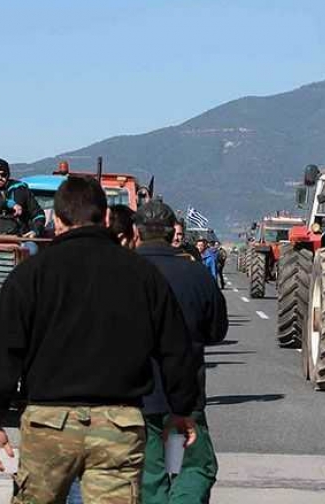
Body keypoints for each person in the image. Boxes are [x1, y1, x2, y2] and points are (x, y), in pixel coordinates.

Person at [0, 176, 199, 502]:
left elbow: (2, 349)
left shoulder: (31, 274)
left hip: (48, 422)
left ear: (57, 220)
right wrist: (182, 408)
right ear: (106, 217)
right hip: (118, 424)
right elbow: (175, 347)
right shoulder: (143, 275)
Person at [134, 200, 229, 504]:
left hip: (136, 396)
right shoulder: (196, 274)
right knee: (194, 466)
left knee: (150, 474)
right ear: (172, 232)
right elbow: (217, 331)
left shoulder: (119, 272)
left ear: (137, 232)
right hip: (185, 396)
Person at [0, 158, 45, 236]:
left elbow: (38, 213)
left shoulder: (21, 189)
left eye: (3, 174)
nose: (0, 177)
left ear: (8, 175)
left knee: (31, 244)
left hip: (20, 237)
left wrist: (36, 230)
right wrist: (8, 204)